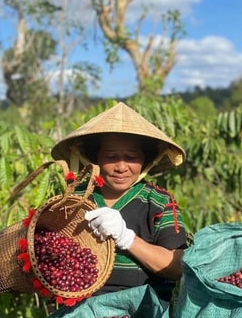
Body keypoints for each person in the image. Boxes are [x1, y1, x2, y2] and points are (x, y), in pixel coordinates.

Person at [51, 101, 188, 302]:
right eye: (111, 156)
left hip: (144, 312)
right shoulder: (76, 198)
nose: (121, 167)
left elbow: (177, 267)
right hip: (80, 309)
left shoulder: (158, 202)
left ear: (145, 160)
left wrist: (126, 238)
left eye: (131, 157)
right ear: (95, 158)